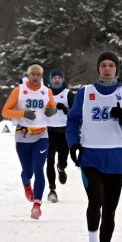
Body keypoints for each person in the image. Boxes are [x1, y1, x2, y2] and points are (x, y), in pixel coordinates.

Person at [66, 52, 122, 242]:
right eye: (103, 65)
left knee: (109, 211)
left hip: (116, 159)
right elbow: (72, 120)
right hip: (90, 157)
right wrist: (74, 144)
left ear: (117, 69)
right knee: (95, 201)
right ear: (98, 69)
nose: (107, 69)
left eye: (111, 65)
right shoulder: (85, 93)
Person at [2, 64, 57, 220]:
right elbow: (5, 111)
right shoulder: (19, 90)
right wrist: (23, 113)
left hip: (41, 135)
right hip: (23, 135)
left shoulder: (47, 91)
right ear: (28, 75)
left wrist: (52, 110)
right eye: (32, 74)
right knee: (28, 172)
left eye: (38, 74)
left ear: (42, 76)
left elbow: (52, 107)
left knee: (39, 168)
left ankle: (37, 205)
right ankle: (26, 184)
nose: (35, 77)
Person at [45, 69, 75, 203]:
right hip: (49, 132)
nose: (56, 80)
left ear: (62, 80)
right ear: (50, 80)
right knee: (49, 160)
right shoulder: (45, 93)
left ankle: (61, 168)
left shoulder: (68, 94)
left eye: (59, 78)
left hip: (64, 132)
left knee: (62, 160)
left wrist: (65, 109)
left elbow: (75, 114)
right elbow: (39, 111)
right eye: (54, 78)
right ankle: (52, 190)